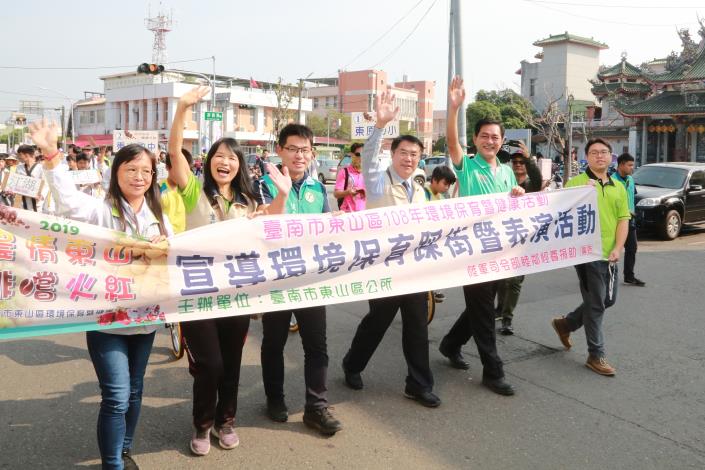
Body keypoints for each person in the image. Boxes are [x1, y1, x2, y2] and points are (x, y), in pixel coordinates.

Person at [29, 119, 172, 470]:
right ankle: (113, 464)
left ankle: (124, 448)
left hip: (146, 320)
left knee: (136, 391)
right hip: (106, 321)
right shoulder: (99, 209)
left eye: (146, 171)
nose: (139, 177)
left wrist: (166, 245)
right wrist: (51, 154)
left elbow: (175, 257)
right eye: (131, 169)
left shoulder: (158, 216)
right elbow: (66, 199)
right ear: (116, 172)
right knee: (117, 396)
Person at [168, 86, 292, 455]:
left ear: (240, 165)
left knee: (233, 364)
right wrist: (182, 108)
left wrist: (282, 195)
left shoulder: (249, 201)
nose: (225, 162)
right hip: (196, 294)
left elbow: (270, 228)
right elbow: (175, 152)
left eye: (232, 158)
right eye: (219, 156)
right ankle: (203, 425)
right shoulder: (193, 192)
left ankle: (226, 421)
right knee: (210, 365)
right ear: (208, 162)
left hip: (236, 296)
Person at [342, 89, 441, 408]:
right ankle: (352, 365)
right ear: (393, 153)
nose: (409, 158)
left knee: (416, 326)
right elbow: (370, 155)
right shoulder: (377, 180)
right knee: (377, 323)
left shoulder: (419, 187)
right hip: (383, 267)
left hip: (412, 269)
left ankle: (419, 384)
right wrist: (379, 127)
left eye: (414, 154)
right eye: (404, 153)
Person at [253, 123, 342, 436]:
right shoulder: (264, 183)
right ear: (280, 150)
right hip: (277, 278)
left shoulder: (318, 189)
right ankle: (274, 398)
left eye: (304, 150)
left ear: (312, 153)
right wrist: (283, 192)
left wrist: (338, 224)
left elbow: (327, 229)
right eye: (292, 148)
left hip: (310, 280)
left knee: (317, 345)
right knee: (274, 342)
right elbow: (266, 227)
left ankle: (316, 408)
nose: (298, 155)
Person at [438, 76, 524, 397]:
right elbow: (450, 143)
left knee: (482, 305)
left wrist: (516, 193)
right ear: (474, 139)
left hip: (498, 249)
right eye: (484, 136)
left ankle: (450, 343)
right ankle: (493, 370)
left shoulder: (504, 170)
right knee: (485, 310)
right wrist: (454, 107)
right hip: (471, 249)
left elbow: (508, 208)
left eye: (495, 137)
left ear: (502, 141)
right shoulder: (467, 166)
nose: (490, 141)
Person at [551, 138, 630, 377]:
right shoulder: (576, 183)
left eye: (604, 152)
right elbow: (559, 215)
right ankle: (596, 355)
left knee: (608, 300)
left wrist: (618, 247)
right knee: (597, 303)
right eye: (594, 153)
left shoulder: (618, 187)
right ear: (586, 157)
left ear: (611, 157)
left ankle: (567, 324)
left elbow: (623, 219)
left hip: (611, 254)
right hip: (586, 254)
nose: (599, 156)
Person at [496, 148, 543, 335]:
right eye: (514, 162)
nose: (517, 164)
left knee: (514, 280)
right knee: (499, 278)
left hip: (522, 239)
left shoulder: (532, 185)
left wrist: (529, 158)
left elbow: (538, 181)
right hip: (500, 236)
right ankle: (500, 309)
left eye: (521, 162)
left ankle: (507, 318)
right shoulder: (502, 182)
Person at [613, 153, 644, 287]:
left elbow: (632, 197)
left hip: (629, 221)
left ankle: (629, 276)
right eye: (630, 165)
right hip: (615, 222)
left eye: (633, 165)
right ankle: (603, 276)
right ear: (621, 165)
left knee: (632, 248)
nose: (632, 168)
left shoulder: (630, 180)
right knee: (611, 250)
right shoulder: (611, 181)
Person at [333, 144, 366, 212]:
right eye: (358, 154)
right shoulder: (344, 172)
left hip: (363, 216)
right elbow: (336, 194)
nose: (361, 157)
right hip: (347, 216)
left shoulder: (367, 173)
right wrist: (348, 192)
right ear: (352, 154)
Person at [15, 144, 44, 212]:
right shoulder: (19, 168)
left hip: (37, 201)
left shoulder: (40, 168)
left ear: (26, 155)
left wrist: (40, 195)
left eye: (20, 154)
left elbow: (45, 185)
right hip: (22, 200)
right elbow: (16, 183)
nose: (19, 157)